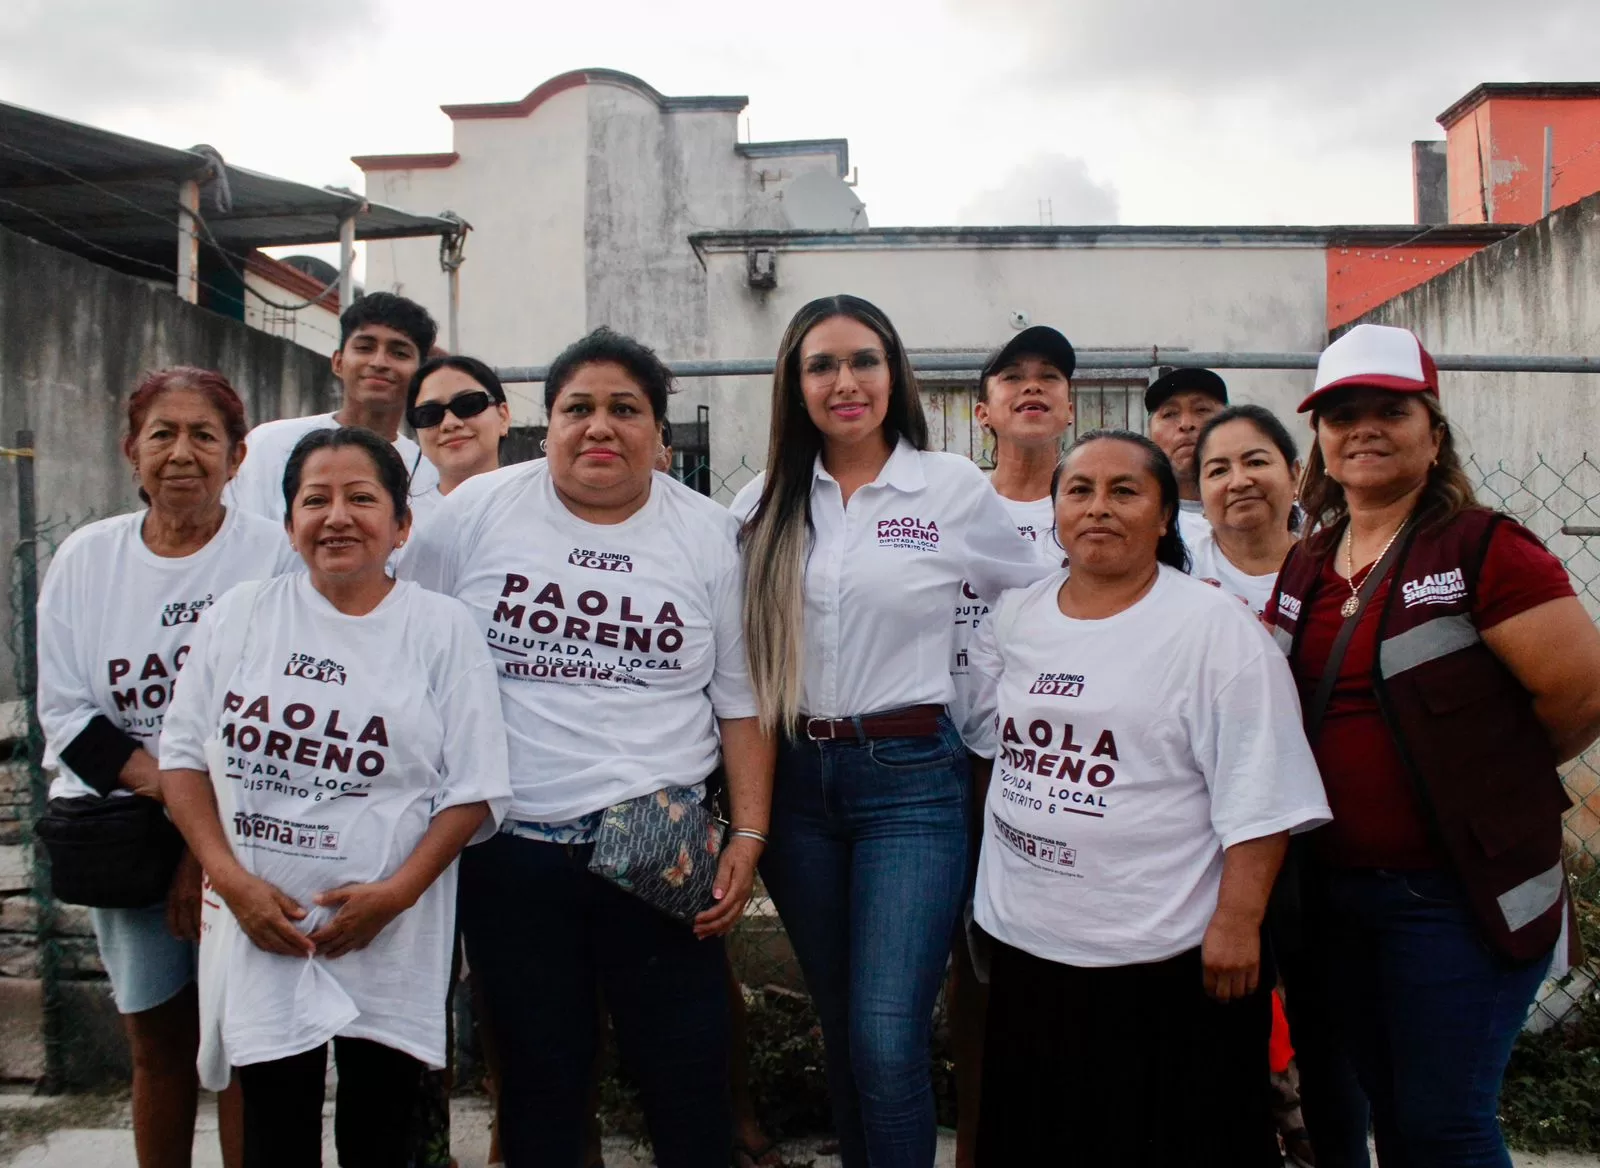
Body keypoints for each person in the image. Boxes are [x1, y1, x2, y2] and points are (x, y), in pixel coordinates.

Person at [401, 327, 774, 1168]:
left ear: (659, 434)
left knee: (686, 1081)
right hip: (513, 849)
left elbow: (741, 705)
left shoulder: (710, 536)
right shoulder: (473, 514)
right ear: (546, 423)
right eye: (579, 408)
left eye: (625, 410)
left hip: (660, 847)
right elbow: (406, 651)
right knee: (539, 1088)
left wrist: (747, 837)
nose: (600, 427)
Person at [1267, 323, 1600, 1168]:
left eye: (1391, 409)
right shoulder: (1308, 562)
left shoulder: (1486, 547)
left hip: (1458, 894)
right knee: (1396, 1112)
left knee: (1443, 1124)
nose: (1364, 429)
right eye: (1342, 416)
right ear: (1322, 441)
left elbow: (1581, 694)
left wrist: (1480, 783)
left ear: (1435, 432)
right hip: (1337, 895)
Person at [731, 294, 1052, 1168]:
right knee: (842, 1023)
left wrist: (989, 685)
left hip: (910, 780)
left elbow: (1039, 594)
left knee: (885, 1033)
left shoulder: (948, 487)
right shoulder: (759, 502)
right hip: (797, 783)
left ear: (894, 373)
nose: (845, 382)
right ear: (794, 386)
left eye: (864, 361)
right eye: (822, 365)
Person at [965, 429, 1331, 1166]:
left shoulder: (1212, 630)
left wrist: (1237, 924)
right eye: (1080, 490)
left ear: (1166, 516)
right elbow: (991, 748)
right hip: (1033, 943)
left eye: (1124, 491)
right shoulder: (1017, 618)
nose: (1098, 508)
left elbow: (1262, 791)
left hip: (1165, 953)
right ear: (1055, 509)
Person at [158, 427, 511, 1167]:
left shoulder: (441, 629)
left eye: (362, 498)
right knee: (273, 1135)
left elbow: (475, 789)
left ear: (402, 525)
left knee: (381, 1134)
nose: (337, 517)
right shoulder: (243, 615)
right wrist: (233, 882)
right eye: (314, 500)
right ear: (290, 524)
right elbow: (183, 761)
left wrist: (397, 893)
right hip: (265, 925)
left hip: (389, 931)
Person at [35, 367, 294, 1168]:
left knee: (246, 1048)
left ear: (238, 454)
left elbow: (285, 708)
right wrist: (180, 808)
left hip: (251, 830)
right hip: (127, 832)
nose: (183, 454)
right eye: (163, 435)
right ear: (131, 452)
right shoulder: (86, 560)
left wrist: (205, 853)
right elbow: (70, 719)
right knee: (159, 1046)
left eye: (204, 436)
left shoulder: (274, 557)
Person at [947, 324, 1076, 1168]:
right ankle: (979, 1137)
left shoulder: (1097, 499)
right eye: (1013, 378)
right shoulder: (948, 500)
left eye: (1050, 378)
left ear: (1068, 404)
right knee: (970, 967)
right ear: (984, 409)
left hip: (1061, 764)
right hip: (948, 759)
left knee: (1059, 958)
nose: (1033, 388)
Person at [228, 293, 441, 523]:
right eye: (365, 347)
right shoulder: (270, 445)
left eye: (399, 353)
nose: (379, 362)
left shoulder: (430, 474)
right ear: (338, 362)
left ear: (420, 374)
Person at [1190, 403, 1302, 616]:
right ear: (1200, 496)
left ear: (1294, 475)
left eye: (1256, 462)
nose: (1239, 482)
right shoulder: (1182, 571)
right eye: (1218, 471)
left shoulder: (1333, 568)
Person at [405, 354, 513, 533]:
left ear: (503, 417)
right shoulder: (397, 522)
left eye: (468, 405)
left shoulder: (548, 506)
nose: (449, 423)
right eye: (429, 414)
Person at [1146, 366, 1228, 550]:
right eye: (1170, 414)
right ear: (1149, 433)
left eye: (1202, 410)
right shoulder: (1140, 519)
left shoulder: (1275, 515)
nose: (1186, 424)